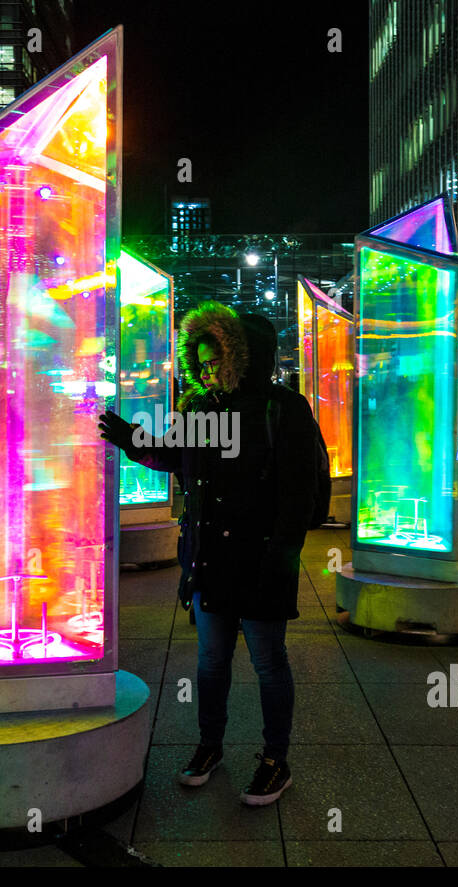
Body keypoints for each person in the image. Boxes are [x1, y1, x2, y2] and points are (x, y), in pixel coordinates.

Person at [99, 302, 320, 806]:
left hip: (262, 562)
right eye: (197, 363)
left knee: (268, 663)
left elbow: (297, 497)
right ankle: (210, 745)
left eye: (212, 361)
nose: (203, 372)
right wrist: (135, 442)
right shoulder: (199, 410)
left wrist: (281, 560)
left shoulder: (283, 409)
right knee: (211, 662)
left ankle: (274, 759)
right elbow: (176, 457)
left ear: (240, 357)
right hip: (210, 563)